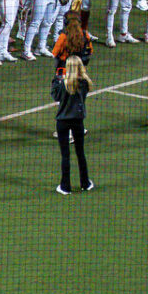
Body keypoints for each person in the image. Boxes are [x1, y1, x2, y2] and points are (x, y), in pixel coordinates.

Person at [52, 55, 94, 195]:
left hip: (62, 122)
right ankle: (85, 183)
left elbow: (55, 96)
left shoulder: (63, 84)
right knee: (80, 153)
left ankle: (65, 187)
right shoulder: (85, 83)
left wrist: (56, 79)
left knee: (65, 155)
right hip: (78, 121)